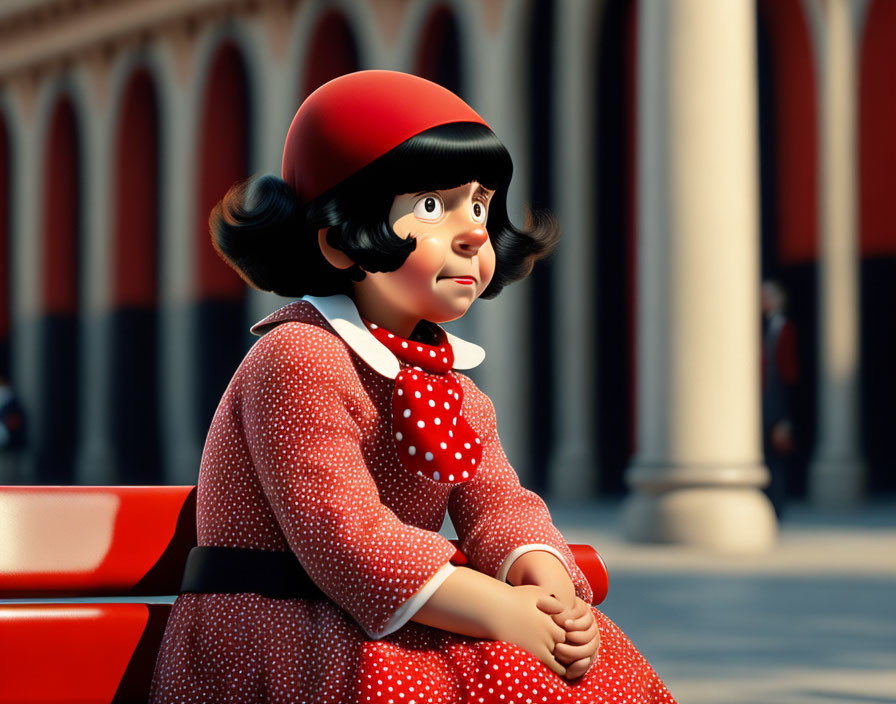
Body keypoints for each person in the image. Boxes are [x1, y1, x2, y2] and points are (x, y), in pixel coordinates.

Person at [151, 70, 675, 704]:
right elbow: (341, 531)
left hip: (393, 616)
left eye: (479, 203)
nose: (473, 231)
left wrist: (546, 589)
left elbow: (497, 503)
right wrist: (498, 610)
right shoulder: (299, 357)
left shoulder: (451, 386)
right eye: (433, 206)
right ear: (340, 240)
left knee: (594, 671)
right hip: (283, 629)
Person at [761, 280, 799, 518]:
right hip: (763, 399)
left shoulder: (786, 328)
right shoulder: (760, 327)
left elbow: (790, 372)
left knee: (776, 457)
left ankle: (778, 507)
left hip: (778, 400)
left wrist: (786, 415)